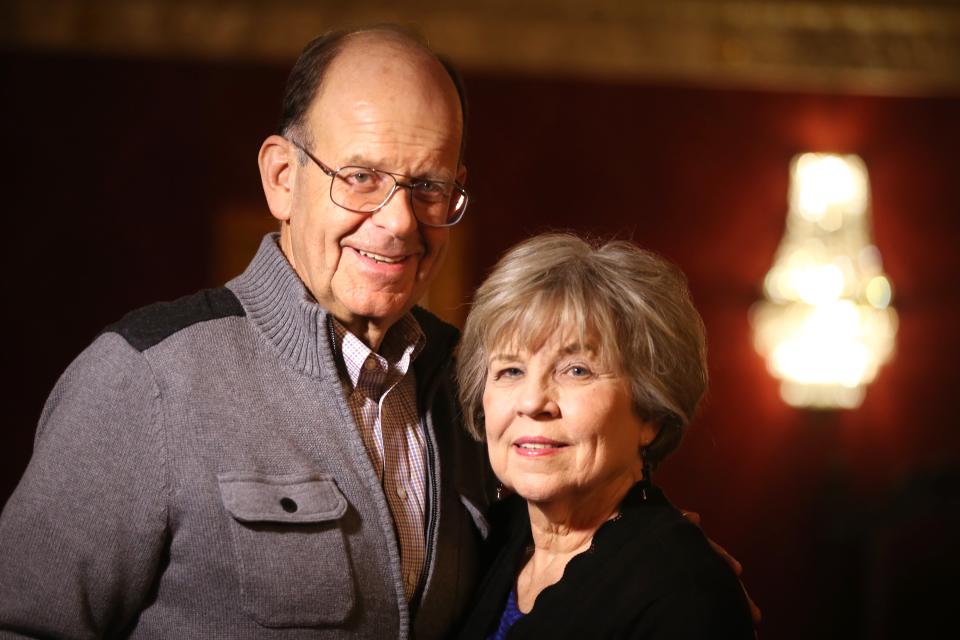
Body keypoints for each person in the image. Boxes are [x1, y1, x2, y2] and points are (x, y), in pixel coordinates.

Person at [0, 26, 491, 639]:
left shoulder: (473, 390)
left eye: (428, 186)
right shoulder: (145, 379)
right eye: (362, 176)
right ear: (283, 177)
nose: (397, 222)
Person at [453, 233, 755, 638]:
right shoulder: (484, 541)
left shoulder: (685, 591)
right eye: (511, 370)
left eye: (576, 370)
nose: (532, 402)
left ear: (651, 413)